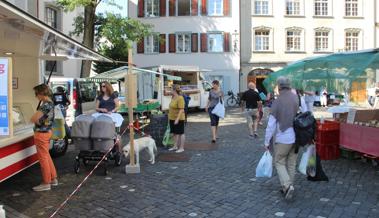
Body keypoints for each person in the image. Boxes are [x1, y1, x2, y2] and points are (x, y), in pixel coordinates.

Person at [264, 77, 299, 200]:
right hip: (296, 137)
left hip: (283, 137)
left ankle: (287, 185)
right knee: (291, 163)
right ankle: (288, 186)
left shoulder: (277, 101)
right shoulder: (296, 97)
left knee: (279, 162)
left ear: (279, 86)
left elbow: (271, 124)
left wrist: (266, 141)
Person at [30, 84, 58, 191]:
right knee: (47, 156)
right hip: (47, 132)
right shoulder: (51, 103)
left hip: (41, 133)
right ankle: (53, 178)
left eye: (36, 93)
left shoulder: (45, 105)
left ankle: (46, 183)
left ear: (41, 93)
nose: (36, 96)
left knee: (43, 159)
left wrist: (34, 119)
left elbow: (34, 118)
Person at [167, 85, 186, 153]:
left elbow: (181, 109)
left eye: (171, 89)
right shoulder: (173, 97)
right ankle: (175, 146)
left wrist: (177, 119)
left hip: (179, 118)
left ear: (174, 90)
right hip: (172, 118)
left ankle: (181, 148)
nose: (170, 91)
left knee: (181, 133)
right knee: (174, 133)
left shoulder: (180, 98)